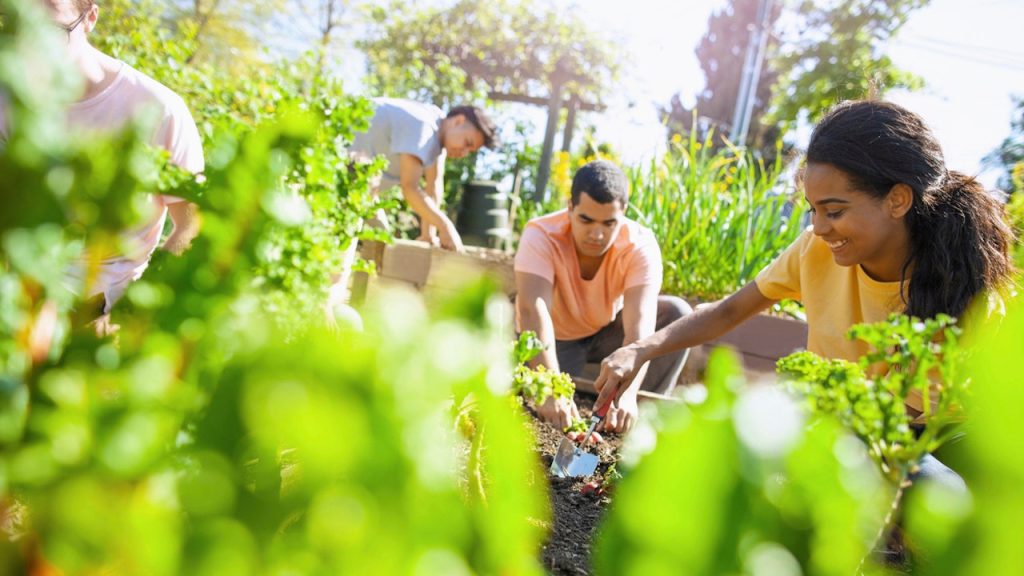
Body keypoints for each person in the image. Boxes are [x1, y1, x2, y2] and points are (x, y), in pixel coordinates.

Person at [593, 100, 1015, 486]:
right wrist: (640, 349)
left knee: (946, 493)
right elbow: (728, 312)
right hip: (850, 430)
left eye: (834, 211)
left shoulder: (959, 285)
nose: (818, 226)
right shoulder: (816, 252)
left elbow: (895, 422)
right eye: (813, 210)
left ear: (898, 199)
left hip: (933, 434)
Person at [0, 0, 205, 335]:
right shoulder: (6, 102)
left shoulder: (158, 109)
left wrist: (131, 313)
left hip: (110, 301)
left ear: (90, 19)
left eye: (51, 32)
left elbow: (191, 225)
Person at [515, 160, 692, 434]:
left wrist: (629, 393)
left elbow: (641, 324)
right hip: (556, 340)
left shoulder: (639, 244)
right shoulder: (541, 234)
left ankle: (636, 424)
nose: (597, 234)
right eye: (586, 220)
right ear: (570, 208)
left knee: (676, 314)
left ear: (624, 213)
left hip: (604, 333)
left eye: (609, 223)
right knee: (540, 417)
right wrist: (550, 386)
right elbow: (531, 309)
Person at [349, 98, 499, 251]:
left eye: (470, 151)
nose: (464, 153)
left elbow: (433, 187)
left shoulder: (437, 130)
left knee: (381, 242)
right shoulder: (423, 126)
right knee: (345, 248)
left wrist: (428, 234)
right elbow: (410, 188)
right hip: (343, 171)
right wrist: (445, 227)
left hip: (362, 188)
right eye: (467, 143)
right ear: (458, 121)